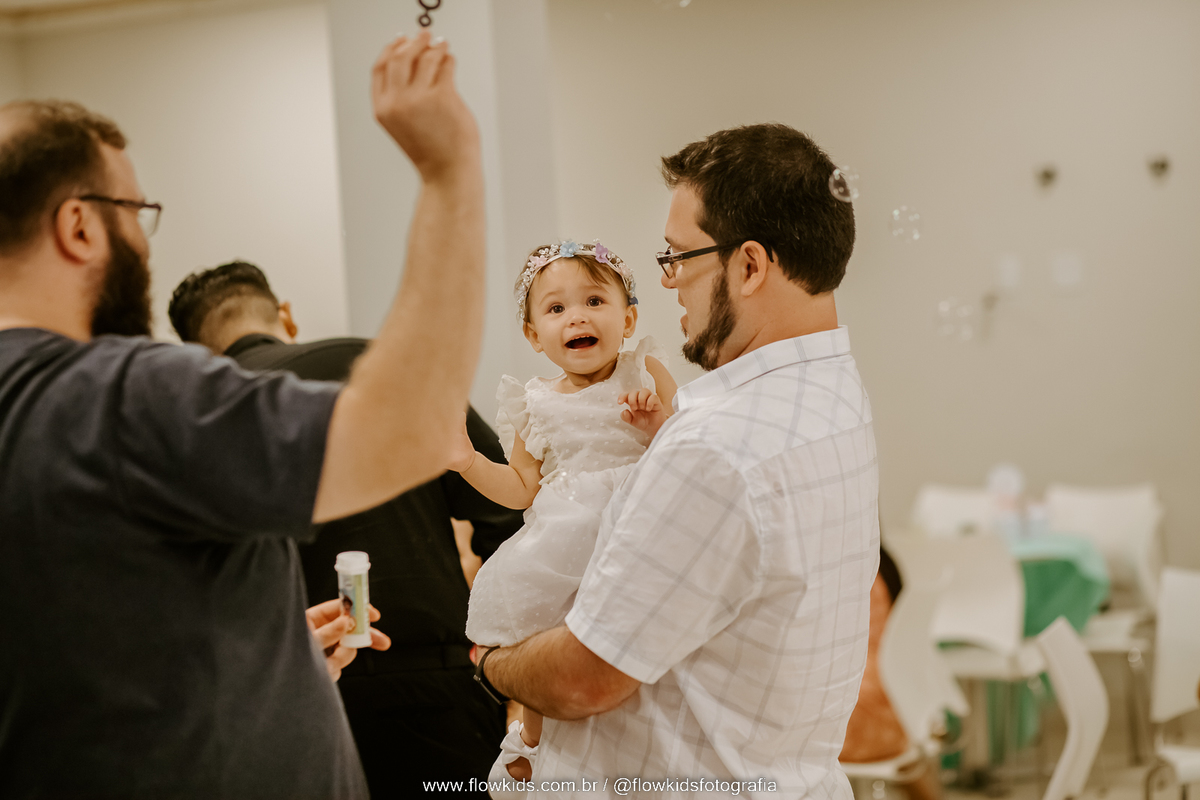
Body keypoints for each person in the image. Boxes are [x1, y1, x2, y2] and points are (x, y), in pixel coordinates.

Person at [0, 31, 484, 798]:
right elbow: (414, 427)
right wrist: (449, 169)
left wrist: (262, 658)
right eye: (136, 212)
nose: (142, 242)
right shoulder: (128, 394)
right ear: (80, 226)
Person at [473, 124, 879, 799]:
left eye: (679, 256)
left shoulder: (714, 446)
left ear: (749, 266)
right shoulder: (834, 393)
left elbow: (584, 678)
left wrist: (493, 662)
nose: (668, 281)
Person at [167, 259, 526, 796]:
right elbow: (508, 512)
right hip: (437, 684)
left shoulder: (201, 415)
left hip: (295, 697)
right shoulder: (383, 368)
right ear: (285, 315)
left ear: (197, 354)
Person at [444, 240, 676, 793]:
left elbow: (687, 449)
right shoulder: (534, 401)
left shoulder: (644, 371)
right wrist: (468, 462)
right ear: (534, 335)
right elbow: (521, 489)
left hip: (634, 524)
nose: (577, 316)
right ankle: (531, 738)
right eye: (556, 308)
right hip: (564, 532)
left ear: (628, 319)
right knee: (542, 628)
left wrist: (656, 426)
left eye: (595, 301)